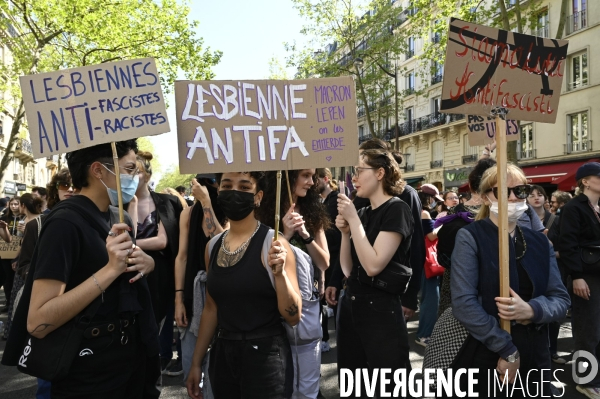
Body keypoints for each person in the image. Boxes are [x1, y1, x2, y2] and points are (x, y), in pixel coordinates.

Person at [2, 140, 160, 398]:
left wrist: (146, 263)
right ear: (98, 170)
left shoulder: (119, 217)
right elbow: (39, 320)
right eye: (130, 169)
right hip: (88, 373)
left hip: (127, 361)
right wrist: (109, 270)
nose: (137, 176)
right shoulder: (65, 223)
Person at [449, 164, 570, 397]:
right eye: (503, 191)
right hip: (487, 351)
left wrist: (532, 309)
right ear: (485, 198)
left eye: (520, 191)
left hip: (536, 353)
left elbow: (560, 299)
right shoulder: (470, 237)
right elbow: (464, 303)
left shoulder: (539, 241)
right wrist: (507, 349)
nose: (514, 198)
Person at [187, 171, 301, 399]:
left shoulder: (275, 244)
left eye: (244, 187)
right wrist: (196, 362)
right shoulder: (213, 247)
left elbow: (293, 316)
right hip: (223, 357)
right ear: (218, 191)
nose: (234, 192)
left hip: (266, 358)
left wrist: (280, 275)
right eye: (227, 185)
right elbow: (211, 308)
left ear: (258, 196)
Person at [335, 143, 414, 396]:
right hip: (352, 306)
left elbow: (373, 265)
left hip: (380, 311)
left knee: (389, 385)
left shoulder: (397, 209)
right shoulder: (363, 212)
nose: (354, 179)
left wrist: (354, 221)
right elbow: (348, 270)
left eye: (359, 171)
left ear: (380, 173)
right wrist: (346, 233)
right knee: (354, 385)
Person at [257, 169, 330, 399]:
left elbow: (324, 262)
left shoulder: (312, 211)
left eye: (313, 176)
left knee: (308, 385)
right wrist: (285, 236)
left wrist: (305, 234)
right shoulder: (263, 213)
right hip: (273, 309)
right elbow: (261, 264)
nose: (311, 182)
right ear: (288, 177)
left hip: (307, 313)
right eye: (305, 176)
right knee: (280, 383)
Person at [5, 169, 73, 398]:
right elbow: (23, 265)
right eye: (64, 185)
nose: (71, 189)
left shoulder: (102, 220)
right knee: (47, 379)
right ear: (55, 190)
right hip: (47, 311)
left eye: (76, 184)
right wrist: (45, 277)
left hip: (82, 315)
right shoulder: (39, 225)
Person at [129, 151, 183, 376]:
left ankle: (161, 357)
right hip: (131, 273)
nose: (131, 177)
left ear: (148, 175)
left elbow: (163, 241)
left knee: (162, 318)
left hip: (163, 275)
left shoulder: (167, 202)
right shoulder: (121, 205)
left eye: (136, 172)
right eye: (128, 171)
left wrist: (133, 244)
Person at [558, 162, 600, 398]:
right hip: (586, 276)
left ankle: (596, 376)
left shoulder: (597, 206)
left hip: (597, 274)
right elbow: (568, 245)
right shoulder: (574, 208)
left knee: (598, 329)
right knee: (588, 330)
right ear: (585, 181)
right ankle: (585, 379)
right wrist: (577, 276)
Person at [436, 158, 494, 317]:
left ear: (471, 184)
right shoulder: (495, 211)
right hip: (487, 278)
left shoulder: (455, 211)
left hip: (454, 278)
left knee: (455, 328)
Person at [2, 193, 43, 338]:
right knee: (16, 296)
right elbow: (18, 242)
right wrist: (15, 258)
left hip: (32, 265)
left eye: (18, 204)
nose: (16, 206)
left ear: (23, 205)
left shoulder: (38, 221)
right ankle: (14, 333)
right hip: (23, 263)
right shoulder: (22, 220)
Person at [316, 168, 340, 353]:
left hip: (336, 262)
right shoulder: (323, 202)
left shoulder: (336, 201)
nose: (312, 183)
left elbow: (334, 236)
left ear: (325, 179)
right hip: (329, 262)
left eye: (314, 178)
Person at [415, 191, 441, 347]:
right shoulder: (424, 214)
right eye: (433, 199)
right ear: (428, 198)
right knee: (431, 299)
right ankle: (424, 334)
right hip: (427, 261)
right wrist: (442, 224)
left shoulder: (415, 211)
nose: (434, 202)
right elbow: (431, 236)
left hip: (420, 260)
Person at [0, 197, 23, 312]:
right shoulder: (4, 218)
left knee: (17, 279)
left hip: (18, 253)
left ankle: (16, 304)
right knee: (7, 279)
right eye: (12, 204)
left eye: (16, 204)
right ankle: (9, 303)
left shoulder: (24, 218)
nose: (14, 206)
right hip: (5, 253)